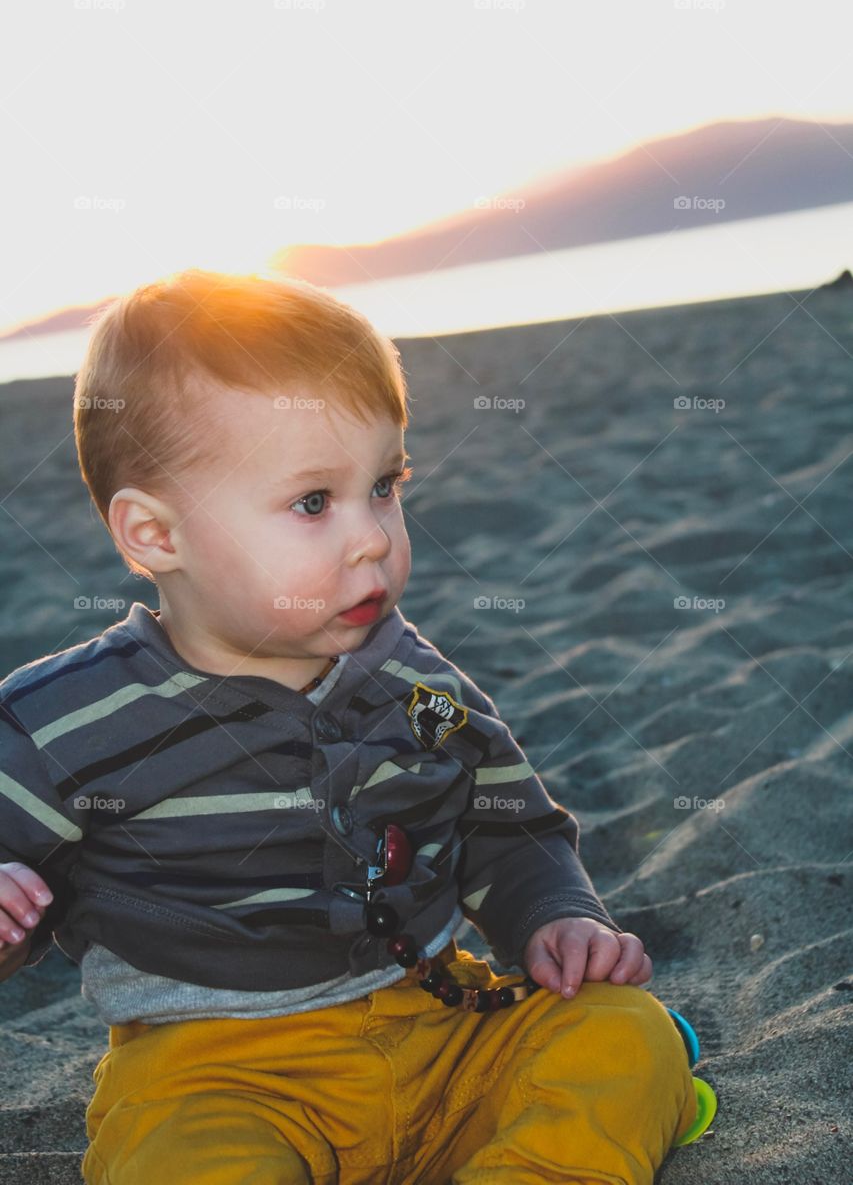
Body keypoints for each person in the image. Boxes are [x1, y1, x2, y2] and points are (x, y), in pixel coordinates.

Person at [0, 269, 697, 1183]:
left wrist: (555, 917)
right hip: (216, 1078)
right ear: (156, 537)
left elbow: (508, 825)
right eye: (313, 502)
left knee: (626, 1032)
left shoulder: (419, 687)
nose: (372, 536)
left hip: (441, 1031)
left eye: (384, 485)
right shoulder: (62, 721)